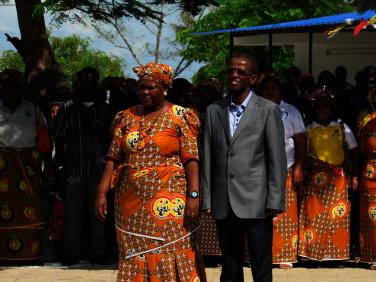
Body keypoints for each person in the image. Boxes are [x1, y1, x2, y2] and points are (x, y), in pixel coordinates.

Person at [95, 62, 203, 281]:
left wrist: (193, 195)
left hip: (169, 200)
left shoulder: (180, 116)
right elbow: (113, 157)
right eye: (141, 87)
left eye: (151, 87)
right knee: (134, 251)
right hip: (130, 201)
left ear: (165, 88)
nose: (145, 92)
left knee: (170, 248)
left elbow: (191, 160)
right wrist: (101, 192)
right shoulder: (125, 117)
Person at [201, 54, 287, 282]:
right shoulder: (214, 110)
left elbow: (276, 158)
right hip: (224, 200)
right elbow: (208, 154)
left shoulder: (268, 109)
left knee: (261, 265)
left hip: (257, 201)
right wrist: (207, 197)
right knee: (229, 266)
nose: (234, 75)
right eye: (231, 71)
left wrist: (275, 199)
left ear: (253, 78)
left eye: (240, 72)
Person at [55, 67, 112, 265]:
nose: (87, 84)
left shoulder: (104, 109)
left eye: (91, 81)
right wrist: (59, 169)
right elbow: (60, 140)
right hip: (74, 169)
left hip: (99, 170)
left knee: (99, 213)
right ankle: (72, 252)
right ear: (77, 83)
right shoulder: (68, 107)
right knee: (72, 213)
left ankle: (98, 251)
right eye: (83, 80)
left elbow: (110, 141)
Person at [298, 86, 359, 263]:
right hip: (314, 181)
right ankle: (311, 255)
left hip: (337, 180)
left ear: (332, 108)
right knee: (314, 217)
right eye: (319, 105)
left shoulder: (341, 127)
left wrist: (354, 177)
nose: (322, 109)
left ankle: (334, 256)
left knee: (336, 217)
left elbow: (354, 152)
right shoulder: (308, 128)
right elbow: (303, 154)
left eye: (326, 105)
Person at [0, 69, 47, 262]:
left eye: (15, 87)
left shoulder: (33, 109)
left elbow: (44, 141)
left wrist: (48, 167)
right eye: (7, 87)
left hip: (28, 167)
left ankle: (30, 254)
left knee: (29, 207)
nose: (11, 91)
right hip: (2, 168)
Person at [259, 75, 306, 269]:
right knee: (259, 214)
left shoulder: (291, 111)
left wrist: (299, 167)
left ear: (280, 92)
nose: (270, 91)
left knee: (284, 214)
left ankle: (284, 255)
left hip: (286, 167)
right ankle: (260, 255)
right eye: (266, 88)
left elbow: (301, 141)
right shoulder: (254, 108)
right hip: (258, 170)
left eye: (274, 88)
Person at [357, 74, 376, 269]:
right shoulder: (364, 117)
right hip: (371, 171)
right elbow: (361, 147)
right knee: (372, 215)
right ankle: (373, 256)